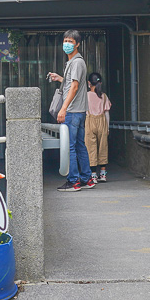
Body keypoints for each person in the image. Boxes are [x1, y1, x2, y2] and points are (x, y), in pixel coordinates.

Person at [47, 29, 95, 192]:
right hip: (79, 111)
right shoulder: (75, 62)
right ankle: (87, 179)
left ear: (78, 44)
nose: (67, 44)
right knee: (80, 145)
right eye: (65, 41)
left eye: (70, 42)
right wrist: (60, 78)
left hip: (73, 111)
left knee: (70, 146)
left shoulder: (76, 62)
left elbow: (74, 87)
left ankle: (73, 181)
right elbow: (74, 83)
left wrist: (63, 109)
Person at [85, 72, 111, 182]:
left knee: (90, 148)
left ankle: (93, 175)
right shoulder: (104, 96)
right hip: (102, 121)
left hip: (90, 121)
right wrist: (107, 128)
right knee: (103, 147)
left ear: (89, 83)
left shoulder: (86, 96)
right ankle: (103, 174)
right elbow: (107, 114)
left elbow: (84, 112)